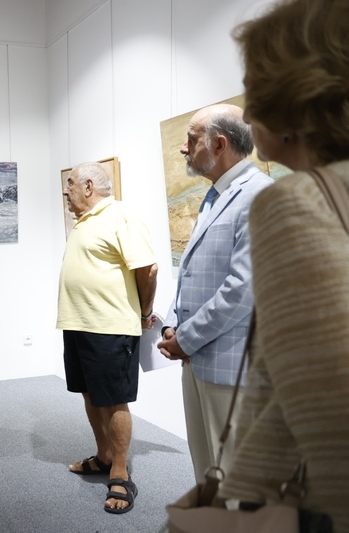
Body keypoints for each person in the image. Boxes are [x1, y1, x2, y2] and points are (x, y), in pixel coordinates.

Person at [217, 0, 349, 530]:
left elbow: (329, 403)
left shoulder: (294, 201)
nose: (247, 114)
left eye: (254, 91)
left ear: (292, 97)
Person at [156, 104, 273, 484]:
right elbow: (193, 271)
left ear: (220, 144)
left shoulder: (258, 196)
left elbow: (242, 289)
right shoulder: (216, 196)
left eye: (191, 139)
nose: (183, 149)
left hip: (231, 365)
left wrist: (186, 339)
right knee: (207, 469)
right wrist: (174, 325)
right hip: (200, 357)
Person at [57, 162, 157, 514]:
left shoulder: (120, 215)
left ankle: (120, 471)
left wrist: (144, 314)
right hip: (79, 324)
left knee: (115, 400)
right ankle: (103, 456)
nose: (65, 190)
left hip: (110, 326)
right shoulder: (83, 222)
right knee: (90, 393)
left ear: (88, 186)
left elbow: (148, 268)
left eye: (70, 184)